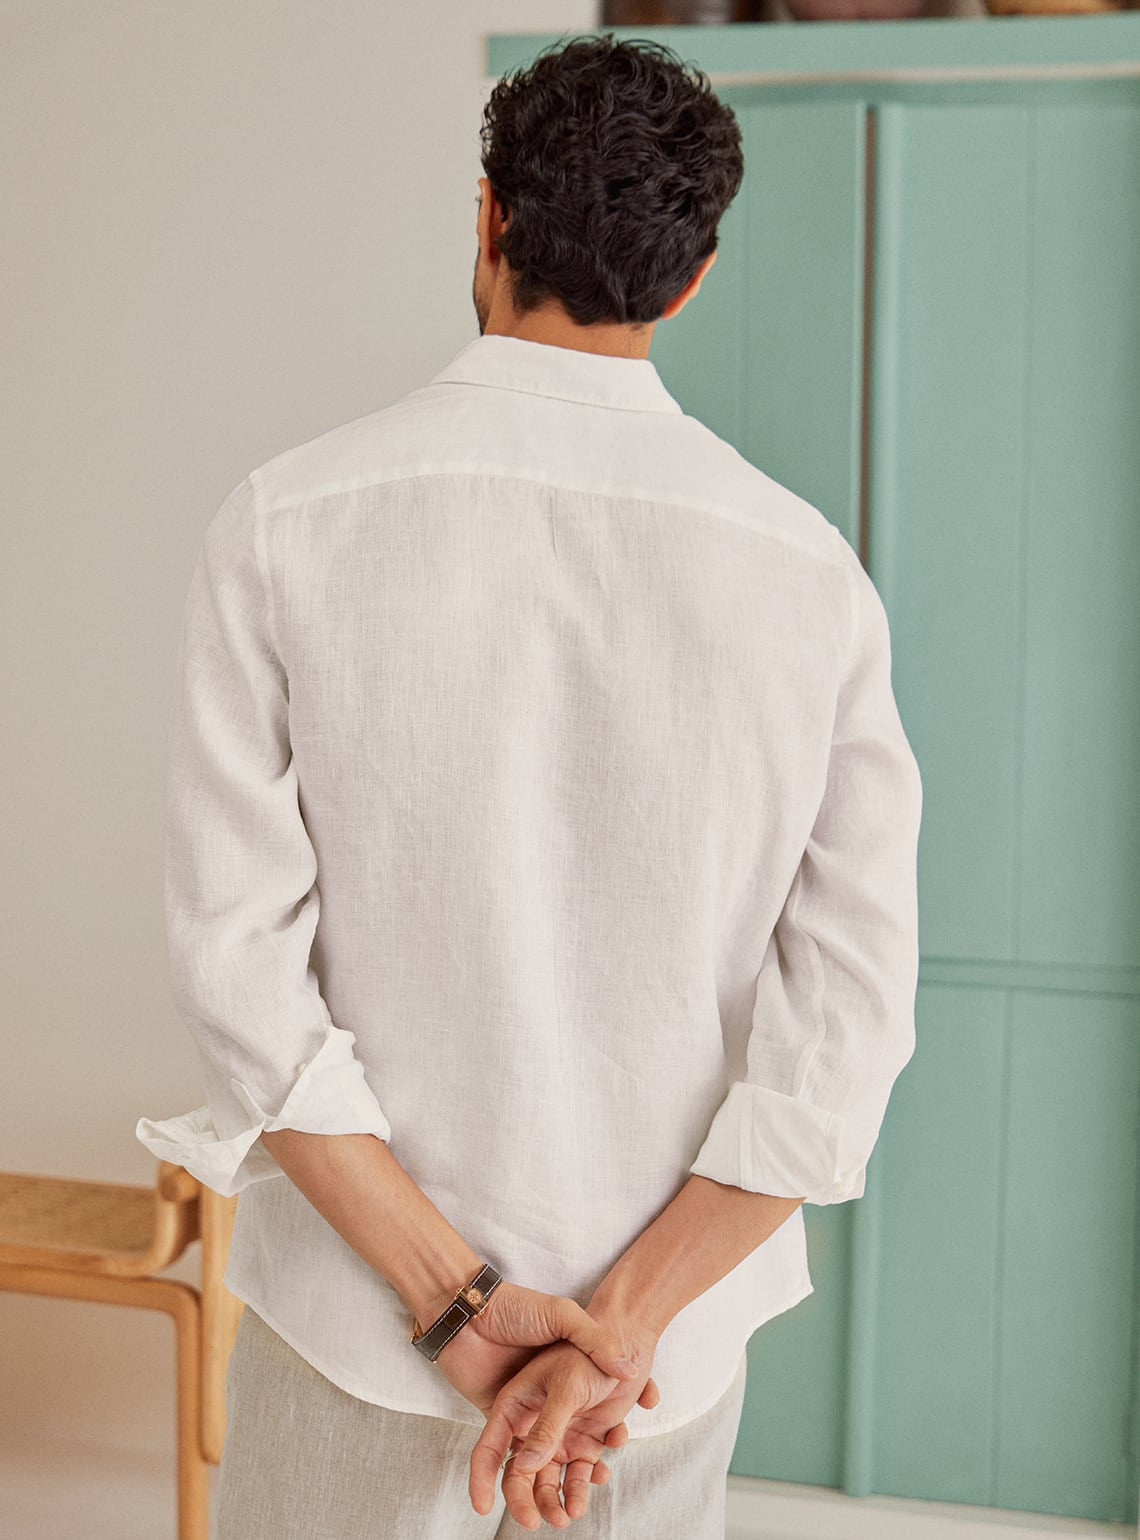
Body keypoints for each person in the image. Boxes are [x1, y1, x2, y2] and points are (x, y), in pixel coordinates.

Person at [135, 29, 922, 1539]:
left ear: (489, 219)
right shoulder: (808, 574)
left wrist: (459, 1303)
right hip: (651, 1373)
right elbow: (847, 1029)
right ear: (692, 280)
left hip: (360, 1328)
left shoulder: (289, 522)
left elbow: (238, 974)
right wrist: (617, 1328)